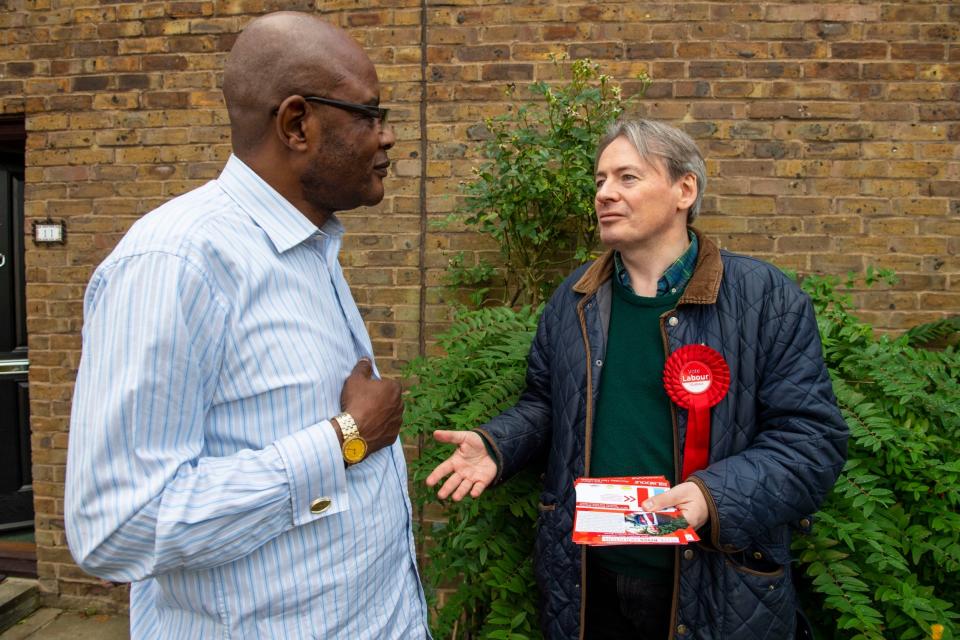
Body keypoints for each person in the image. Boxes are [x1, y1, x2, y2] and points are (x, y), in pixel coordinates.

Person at [65, 12, 430, 639]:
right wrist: (344, 439)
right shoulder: (176, 263)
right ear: (297, 124)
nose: (387, 136)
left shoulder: (308, 248)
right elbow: (117, 526)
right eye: (369, 115)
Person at [426, 118, 848, 639]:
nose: (605, 193)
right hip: (586, 581)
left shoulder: (765, 299)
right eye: (600, 180)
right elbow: (547, 403)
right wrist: (498, 445)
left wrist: (713, 497)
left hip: (714, 585)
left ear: (683, 190)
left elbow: (811, 443)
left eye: (627, 178)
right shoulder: (574, 300)